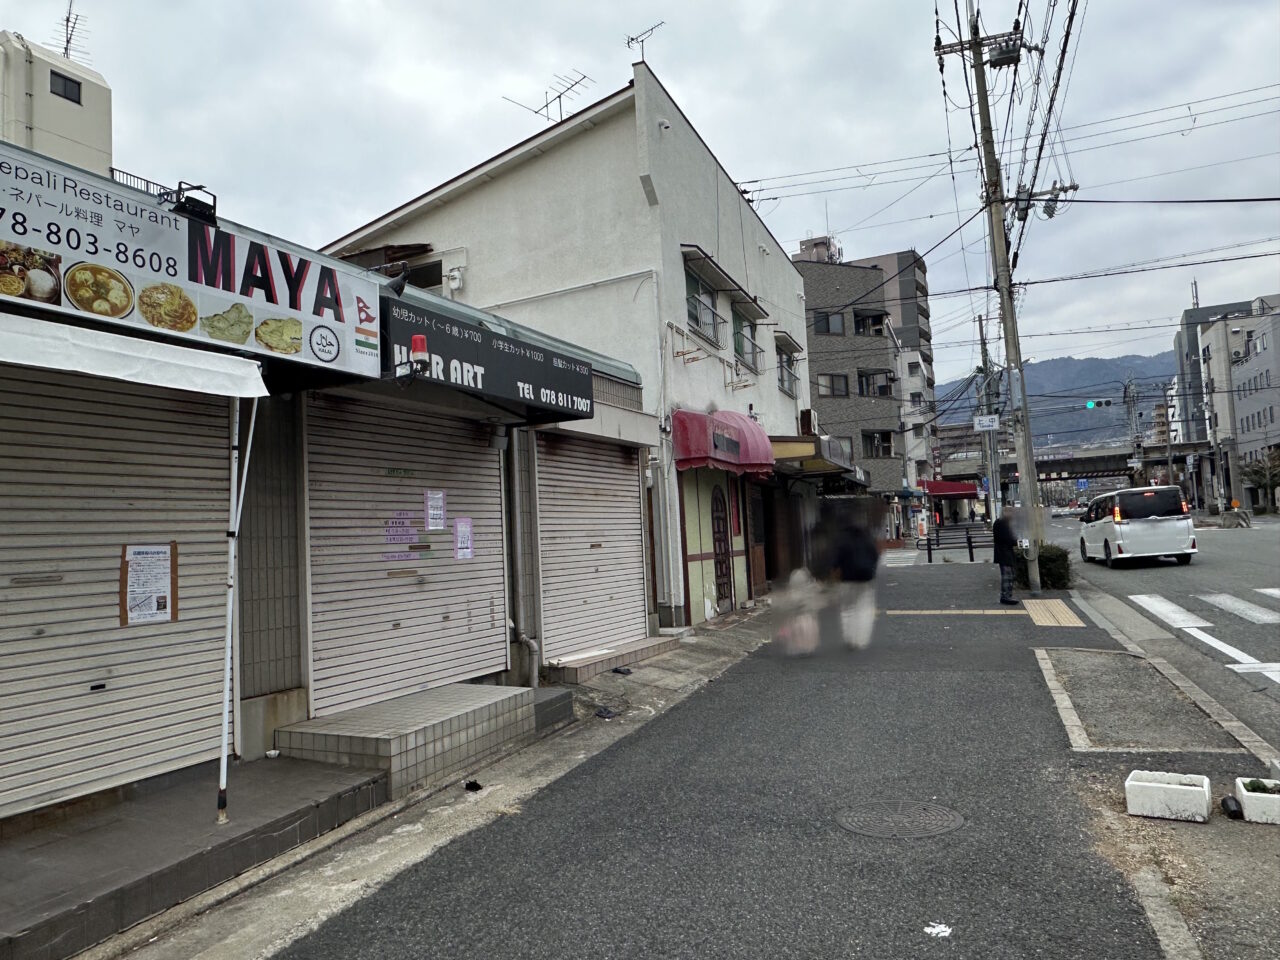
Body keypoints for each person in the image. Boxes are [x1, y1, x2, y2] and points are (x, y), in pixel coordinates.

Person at [992, 512, 1018, 605]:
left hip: (1003, 552)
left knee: (1009, 575)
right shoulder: (1002, 524)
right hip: (1004, 553)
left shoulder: (999, 522)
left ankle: (1007, 595)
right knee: (1007, 576)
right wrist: (1017, 541)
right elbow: (1007, 539)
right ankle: (1005, 596)